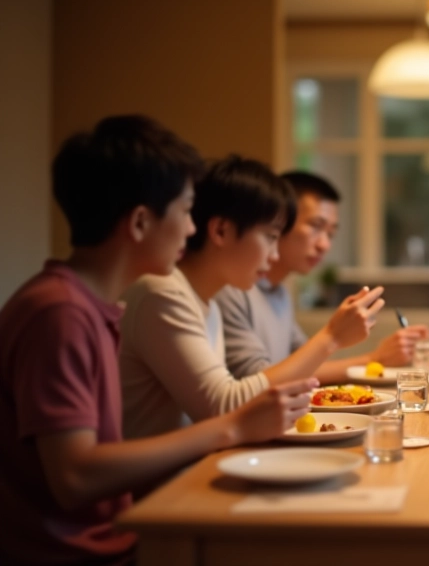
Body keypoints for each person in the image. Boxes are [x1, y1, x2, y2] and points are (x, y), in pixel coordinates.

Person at [0, 115, 317, 566]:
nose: (192, 229)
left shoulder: (88, 307)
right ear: (141, 222)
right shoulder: (60, 313)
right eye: (187, 211)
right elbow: (74, 478)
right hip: (80, 552)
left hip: (120, 534)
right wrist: (232, 427)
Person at [119, 156, 384, 440]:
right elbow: (223, 408)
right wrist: (331, 336)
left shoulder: (207, 301)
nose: (275, 254)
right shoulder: (162, 292)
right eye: (270, 237)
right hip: (165, 482)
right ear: (220, 230)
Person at [216, 171, 428, 381]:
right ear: (280, 221)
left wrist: (377, 359)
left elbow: (305, 367)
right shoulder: (232, 290)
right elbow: (255, 381)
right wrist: (374, 357)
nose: (324, 244)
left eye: (331, 233)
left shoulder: (280, 292)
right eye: (316, 227)